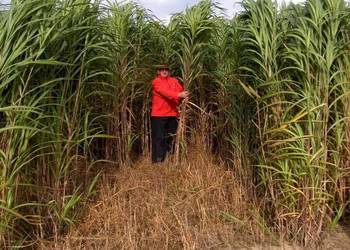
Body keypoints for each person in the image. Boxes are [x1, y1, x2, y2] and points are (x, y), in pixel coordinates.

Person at [151, 64, 189, 163]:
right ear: (158, 71)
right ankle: (158, 160)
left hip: (173, 114)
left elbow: (181, 91)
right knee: (159, 137)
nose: (164, 71)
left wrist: (185, 96)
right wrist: (178, 95)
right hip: (159, 114)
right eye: (162, 69)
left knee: (171, 136)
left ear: (169, 71)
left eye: (166, 69)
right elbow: (165, 92)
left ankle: (168, 158)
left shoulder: (174, 81)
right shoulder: (156, 82)